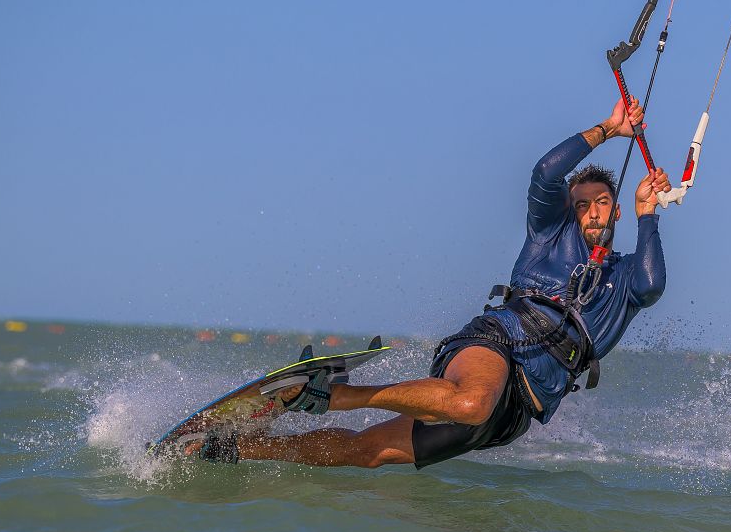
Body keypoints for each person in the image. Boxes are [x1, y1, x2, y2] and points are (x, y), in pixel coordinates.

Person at [193, 97, 672, 467]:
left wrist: (646, 213)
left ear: (615, 209)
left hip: (516, 411)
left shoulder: (623, 277)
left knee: (368, 453)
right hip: (498, 343)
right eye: (583, 203)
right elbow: (546, 172)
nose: (591, 211)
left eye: (602, 203)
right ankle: (329, 395)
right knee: (468, 400)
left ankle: (236, 448)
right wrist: (609, 129)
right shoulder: (552, 231)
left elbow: (652, 285)